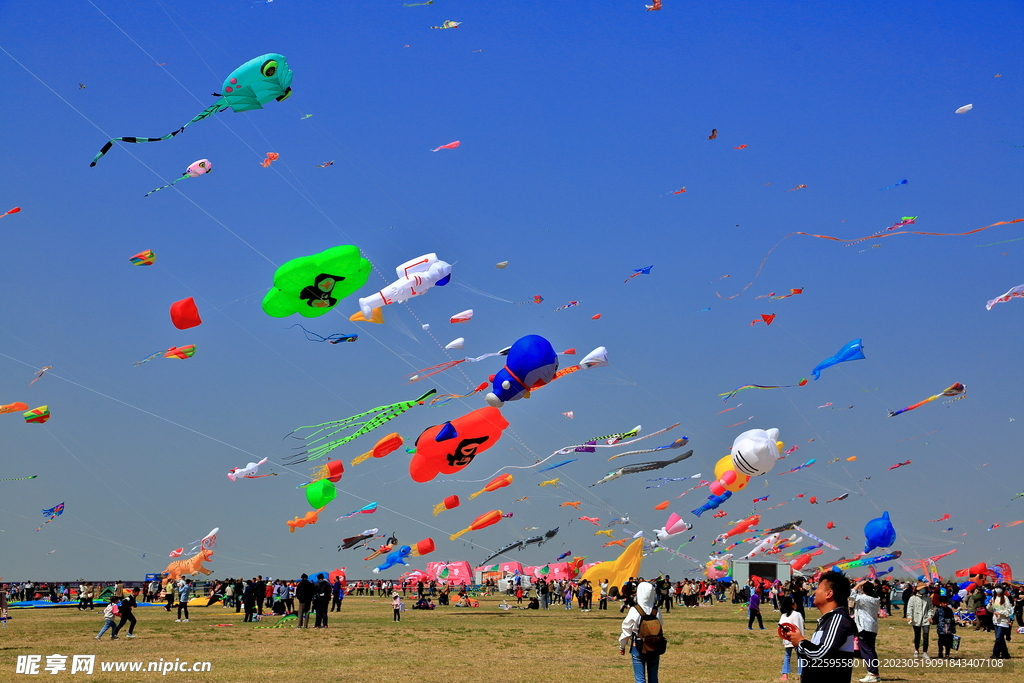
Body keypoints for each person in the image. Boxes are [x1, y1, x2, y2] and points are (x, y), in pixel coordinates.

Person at [781, 570, 857, 683]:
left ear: (829, 593)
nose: (815, 591)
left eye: (818, 588)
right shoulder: (828, 620)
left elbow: (821, 654)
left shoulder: (838, 619)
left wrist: (800, 642)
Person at [618, 581, 662, 683]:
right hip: (655, 645)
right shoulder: (656, 610)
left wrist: (622, 645)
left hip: (637, 645)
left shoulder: (635, 610)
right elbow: (660, 625)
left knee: (640, 679)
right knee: (653, 678)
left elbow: (627, 629)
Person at [852, 578, 881, 682]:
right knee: (870, 650)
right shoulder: (875, 599)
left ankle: (872, 673)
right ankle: (874, 672)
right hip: (872, 627)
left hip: (864, 627)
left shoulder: (864, 598)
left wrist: (859, 584)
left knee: (867, 651)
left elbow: (851, 594)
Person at [777, 595, 804, 682]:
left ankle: (785, 674)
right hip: (797, 639)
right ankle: (801, 675)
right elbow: (800, 626)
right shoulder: (797, 614)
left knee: (787, 656)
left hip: (787, 639)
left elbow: (781, 627)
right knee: (800, 657)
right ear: (792, 605)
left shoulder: (783, 616)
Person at [906, 582, 935, 658]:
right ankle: (916, 650)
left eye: (924, 589)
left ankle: (925, 652)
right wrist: (909, 616)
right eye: (921, 589)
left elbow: (930, 608)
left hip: (925, 619)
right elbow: (910, 608)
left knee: (926, 635)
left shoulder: (927, 599)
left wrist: (930, 616)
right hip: (916, 619)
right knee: (917, 635)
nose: (923, 590)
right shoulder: (913, 598)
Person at [987, 587, 1013, 659]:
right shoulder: (994, 598)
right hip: (996, 621)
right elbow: (990, 609)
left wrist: (1000, 612)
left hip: (1003, 621)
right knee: (1000, 638)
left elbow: (1008, 611)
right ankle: (1005, 654)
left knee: (999, 638)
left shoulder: (1005, 598)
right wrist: (990, 604)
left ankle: (996, 653)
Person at [932, 593, 957, 659]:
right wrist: (933, 621)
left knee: (948, 643)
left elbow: (952, 620)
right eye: (943, 603)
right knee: (940, 642)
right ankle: (940, 654)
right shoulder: (938, 610)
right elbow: (935, 618)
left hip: (949, 629)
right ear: (940, 603)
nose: (945, 604)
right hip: (941, 629)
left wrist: (953, 628)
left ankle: (947, 654)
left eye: (946, 603)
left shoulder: (949, 610)